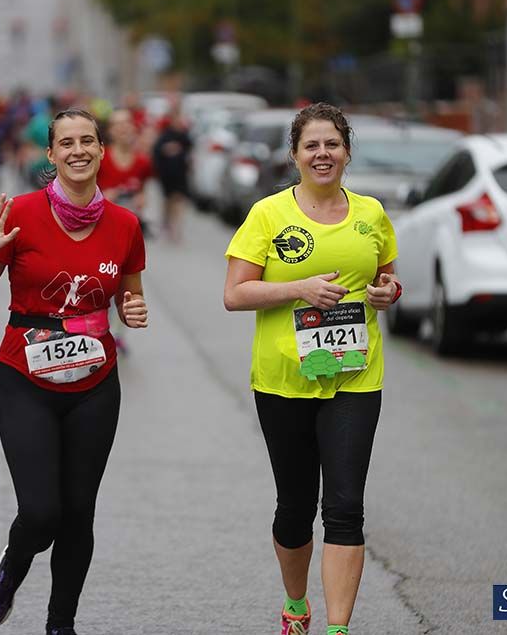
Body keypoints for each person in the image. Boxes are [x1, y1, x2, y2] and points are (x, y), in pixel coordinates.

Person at [0, 108, 148, 635]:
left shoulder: (125, 225)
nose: (78, 150)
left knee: (79, 513)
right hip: (25, 377)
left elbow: (130, 294)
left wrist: (132, 309)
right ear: (51, 154)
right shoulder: (20, 213)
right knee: (42, 511)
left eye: (88, 141)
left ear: (102, 150)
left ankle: (60, 624)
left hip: (94, 384)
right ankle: (10, 571)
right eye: (67, 143)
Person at [223, 103, 401, 635]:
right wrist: (298, 288)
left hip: (354, 377)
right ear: (295, 155)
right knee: (295, 509)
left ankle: (337, 628)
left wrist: (388, 292)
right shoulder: (268, 214)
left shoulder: (371, 213)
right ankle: (296, 603)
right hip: (284, 380)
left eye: (332, 144)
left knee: (345, 507)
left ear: (347, 151)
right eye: (312, 146)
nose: (323, 154)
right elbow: (235, 294)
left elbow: (388, 277)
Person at [97, 108, 155, 354]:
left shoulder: (142, 162)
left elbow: (143, 189)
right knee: (103, 281)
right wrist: (105, 196)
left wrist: (140, 199)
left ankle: (119, 334)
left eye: (127, 123)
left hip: (130, 231)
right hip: (100, 229)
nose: (123, 128)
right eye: (117, 124)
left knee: (128, 284)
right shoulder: (101, 159)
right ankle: (98, 329)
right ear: (110, 131)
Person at [151, 106, 193, 242]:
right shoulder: (165, 135)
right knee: (168, 200)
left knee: (179, 199)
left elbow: (190, 151)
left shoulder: (185, 136)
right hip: (167, 174)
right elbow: (156, 153)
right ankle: (166, 223)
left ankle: (177, 228)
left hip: (180, 174)